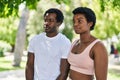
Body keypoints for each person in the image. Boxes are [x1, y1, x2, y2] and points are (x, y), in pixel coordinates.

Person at [25, 8, 71, 80]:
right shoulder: (35, 40)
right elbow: (29, 66)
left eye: (50, 20)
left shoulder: (65, 42)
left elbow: (64, 72)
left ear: (59, 23)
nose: (46, 23)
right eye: (45, 20)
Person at [67, 7, 108, 80]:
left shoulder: (98, 47)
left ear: (90, 23)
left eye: (79, 21)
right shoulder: (74, 43)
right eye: (74, 21)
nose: (75, 24)